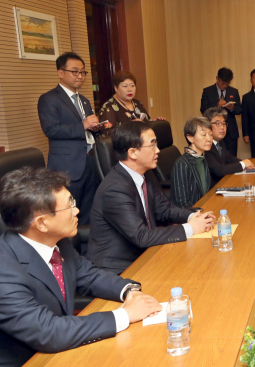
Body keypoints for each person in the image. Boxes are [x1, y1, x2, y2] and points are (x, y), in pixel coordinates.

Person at [0, 167, 162, 366]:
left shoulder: (56, 241)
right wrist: (125, 314)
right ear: (42, 223)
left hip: (62, 351)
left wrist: (128, 291)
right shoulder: (4, 270)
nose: (76, 211)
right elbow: (48, 331)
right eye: (69, 206)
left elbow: (89, 275)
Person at [86, 122, 215, 275]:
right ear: (133, 153)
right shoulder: (114, 189)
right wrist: (191, 228)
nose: (158, 150)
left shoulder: (145, 173)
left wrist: (193, 216)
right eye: (152, 145)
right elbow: (141, 236)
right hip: (118, 268)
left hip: (146, 254)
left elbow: (164, 209)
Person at [38, 52, 100, 226]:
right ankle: (69, 251)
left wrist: (95, 127)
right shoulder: (49, 99)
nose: (80, 76)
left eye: (83, 72)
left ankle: (88, 251)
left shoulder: (84, 100)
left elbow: (87, 128)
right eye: (75, 72)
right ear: (60, 72)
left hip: (90, 161)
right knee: (67, 213)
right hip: (67, 165)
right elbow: (50, 129)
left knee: (89, 211)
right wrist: (83, 125)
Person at [97, 71, 165, 137]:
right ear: (116, 88)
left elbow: (144, 123)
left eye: (132, 86)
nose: (129, 89)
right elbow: (107, 133)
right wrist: (130, 127)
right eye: (125, 86)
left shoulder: (138, 103)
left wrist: (153, 122)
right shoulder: (108, 107)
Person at [203, 107, 255, 187]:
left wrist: (246, 164)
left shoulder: (220, 142)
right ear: (207, 125)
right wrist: (243, 164)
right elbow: (219, 170)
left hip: (223, 183)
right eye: (218, 123)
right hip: (212, 191)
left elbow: (229, 158)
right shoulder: (206, 147)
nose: (222, 127)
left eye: (224, 123)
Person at [170, 117, 213, 208]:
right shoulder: (182, 164)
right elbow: (182, 203)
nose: (209, 139)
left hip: (204, 208)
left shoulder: (202, 158)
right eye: (204, 134)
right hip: (191, 215)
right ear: (190, 138)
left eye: (210, 134)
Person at [200, 67, 242, 156]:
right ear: (217, 78)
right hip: (213, 131)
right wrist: (217, 105)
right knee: (215, 157)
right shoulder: (207, 91)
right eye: (222, 83)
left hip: (230, 132)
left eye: (227, 83)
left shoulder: (234, 91)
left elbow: (239, 110)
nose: (224, 85)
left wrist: (232, 108)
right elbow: (203, 110)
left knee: (231, 157)